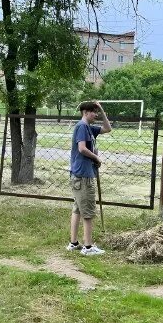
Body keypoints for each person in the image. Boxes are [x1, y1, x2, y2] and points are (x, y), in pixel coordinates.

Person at [66, 101, 112, 256]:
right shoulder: (81, 127)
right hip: (83, 175)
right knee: (88, 211)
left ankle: (73, 243)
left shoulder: (89, 128)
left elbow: (107, 128)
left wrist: (102, 110)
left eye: (97, 112)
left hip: (82, 174)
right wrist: (96, 158)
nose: (96, 114)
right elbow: (82, 148)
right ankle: (88, 247)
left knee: (78, 209)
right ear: (85, 112)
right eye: (94, 112)